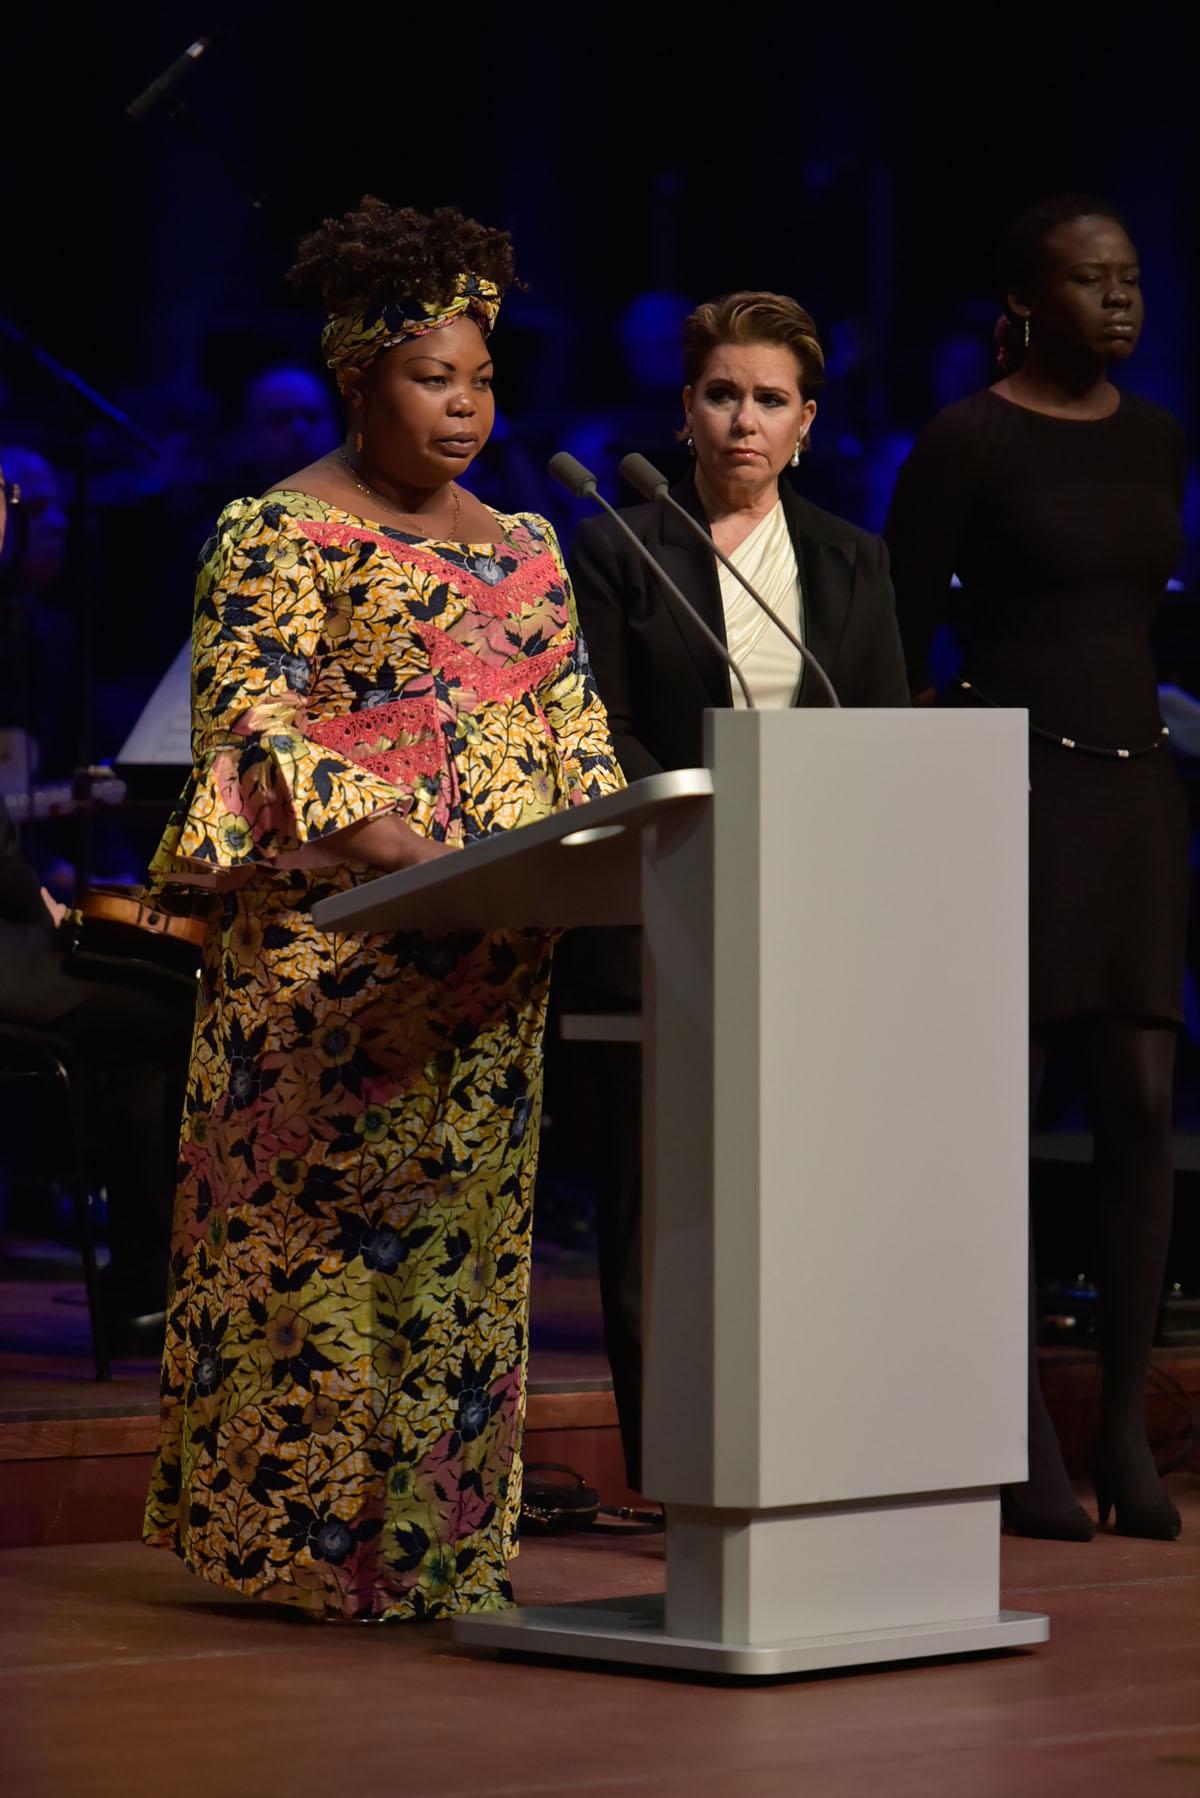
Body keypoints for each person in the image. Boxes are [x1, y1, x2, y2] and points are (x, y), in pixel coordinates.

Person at [142, 198, 623, 1620]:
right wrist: (396, 845)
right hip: (325, 962)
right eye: (434, 378)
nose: (468, 406)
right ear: (360, 376)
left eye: (481, 378)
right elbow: (252, 727)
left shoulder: (528, 543)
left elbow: (576, 730)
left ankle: (439, 1545)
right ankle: (296, 1549)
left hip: (486, 956)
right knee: (310, 1258)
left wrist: (608, 848)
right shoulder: (278, 531)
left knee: (462, 1268)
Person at [885, 195, 1188, 1543]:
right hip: (1012, 785)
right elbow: (895, 630)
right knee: (1004, 1109)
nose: (1119, 301)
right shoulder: (969, 439)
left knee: (1139, 1090)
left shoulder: (1161, 437)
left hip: (1134, 787)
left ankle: (1123, 1423)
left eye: (1130, 279)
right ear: (1024, 297)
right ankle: (1010, 1426)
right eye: (1089, 281)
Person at [567, 290, 908, 1486]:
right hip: (667, 904)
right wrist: (716, 826)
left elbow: (878, 737)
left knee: (801, 1200)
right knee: (658, 1210)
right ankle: (673, 1466)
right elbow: (596, 732)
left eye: (770, 401)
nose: (743, 422)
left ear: (807, 422)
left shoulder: (850, 561)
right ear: (686, 409)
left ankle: (803, 1446)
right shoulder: (618, 539)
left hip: (810, 913)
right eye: (722, 396)